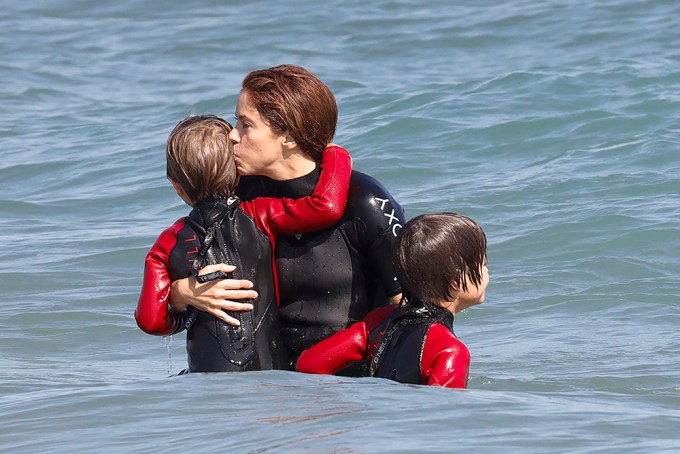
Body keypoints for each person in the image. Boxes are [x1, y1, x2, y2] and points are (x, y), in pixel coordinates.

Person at [168, 65, 406, 372]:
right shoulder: (235, 201)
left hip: (347, 385)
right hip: (261, 383)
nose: (231, 135)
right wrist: (182, 293)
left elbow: (412, 308)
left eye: (245, 125)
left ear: (288, 138)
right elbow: (163, 299)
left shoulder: (365, 201)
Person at [135, 114, 352, 373]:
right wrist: (335, 154)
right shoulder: (259, 215)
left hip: (205, 377)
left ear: (176, 186)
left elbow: (150, 321)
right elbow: (326, 207)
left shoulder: (167, 243)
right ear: (238, 176)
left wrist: (183, 311)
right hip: (268, 369)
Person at [296, 213, 489, 389]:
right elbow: (442, 417)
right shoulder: (450, 351)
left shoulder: (379, 322)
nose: (487, 271)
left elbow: (308, 364)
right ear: (455, 282)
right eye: (482, 264)